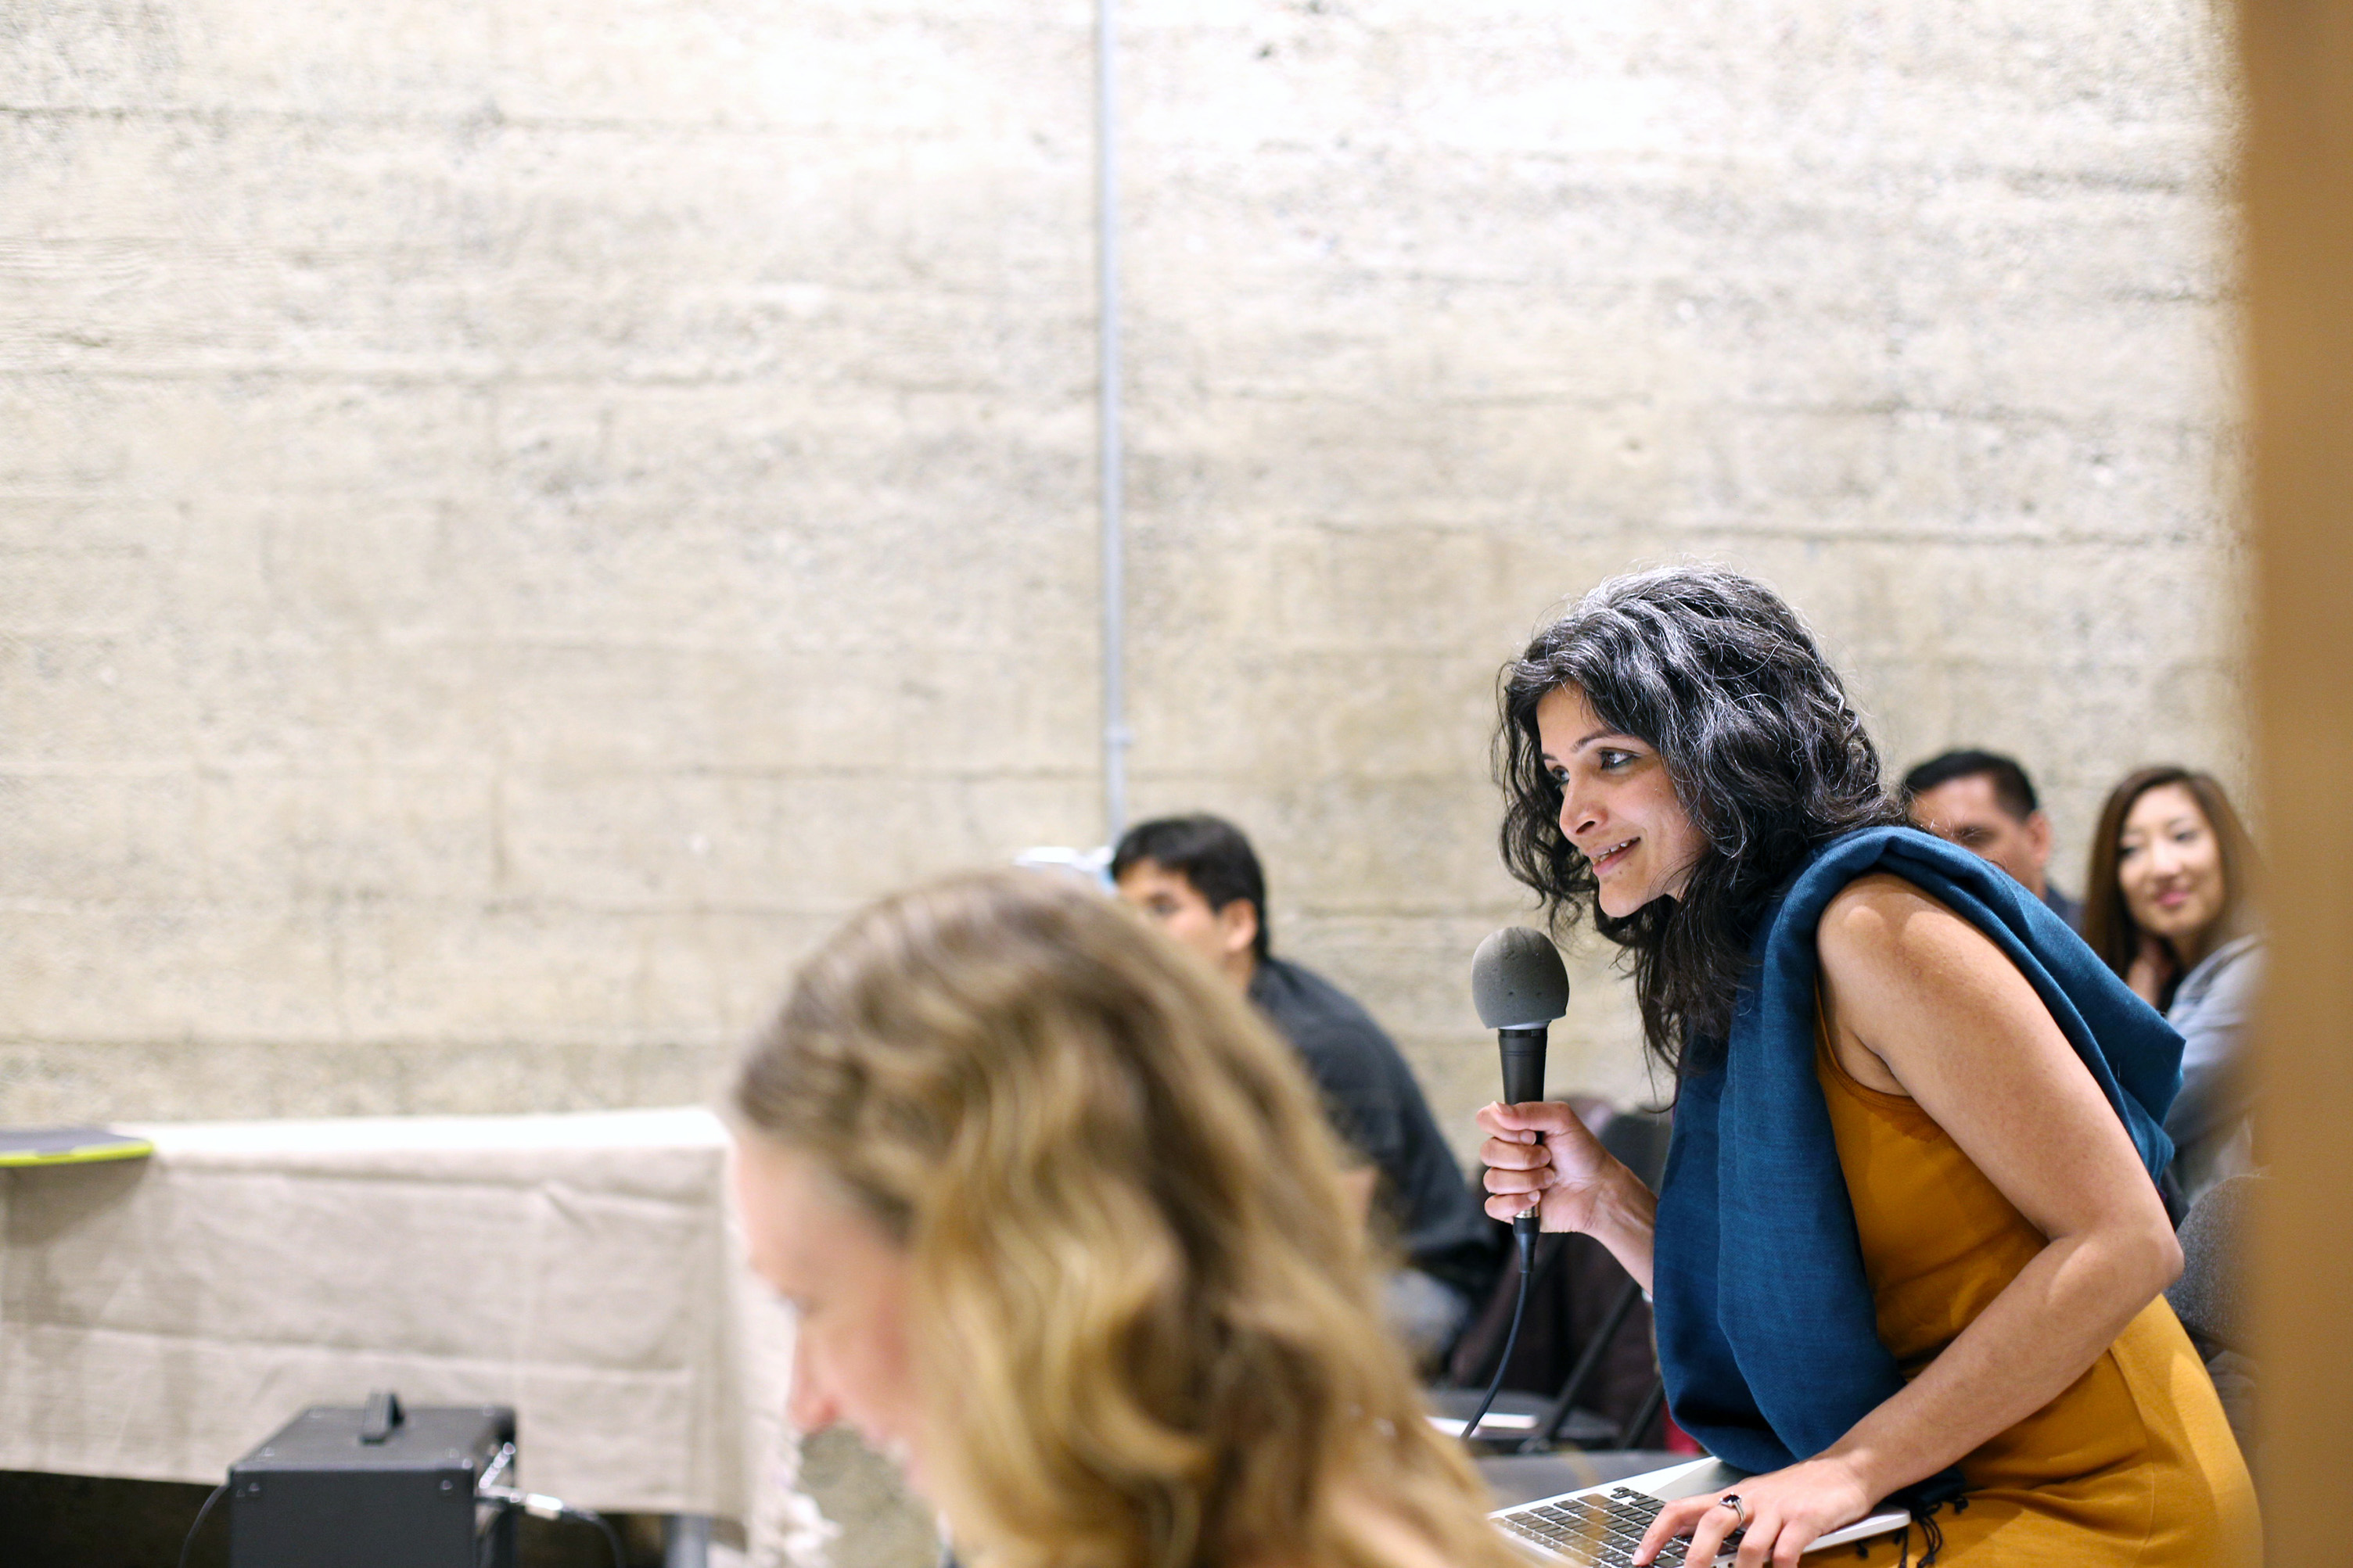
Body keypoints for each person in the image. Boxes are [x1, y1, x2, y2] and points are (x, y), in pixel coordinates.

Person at [1480, 567, 2257, 1566]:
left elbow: (2124, 1241)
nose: (1572, 811)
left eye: (1610, 759)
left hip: (2093, 1495)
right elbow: (1791, 1293)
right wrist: (1608, 1206)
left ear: (1728, 750)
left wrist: (1845, 1472)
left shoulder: (1872, 929)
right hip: (1925, 1480)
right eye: (1557, 775)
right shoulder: (1747, 952)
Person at [729, 870, 1524, 1568]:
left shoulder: (1332, 1037)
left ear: (1015, 1271)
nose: (807, 1403)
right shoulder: (1357, 1507)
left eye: (807, 1304)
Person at [1110, 814, 1497, 1353]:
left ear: (1237, 924)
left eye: (1161, 909)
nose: (1134, 934)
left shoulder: (1322, 1041)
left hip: (1416, 1279)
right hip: (1286, 1267)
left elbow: (1330, 1243)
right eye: (1124, 913)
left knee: (1229, 1344)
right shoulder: (1183, 1035)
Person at [2082, 766, 2263, 1207]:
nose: (2162, 867)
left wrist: (2134, 1002)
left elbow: (2137, 1115)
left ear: (2227, 848)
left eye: (2183, 837)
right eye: (2131, 850)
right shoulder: (2171, 980)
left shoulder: (2262, 971)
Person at [1902, 750, 2082, 929]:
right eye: (1929, 847)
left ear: (2037, 840)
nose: (1950, 862)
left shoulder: (2101, 945)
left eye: (1973, 838)